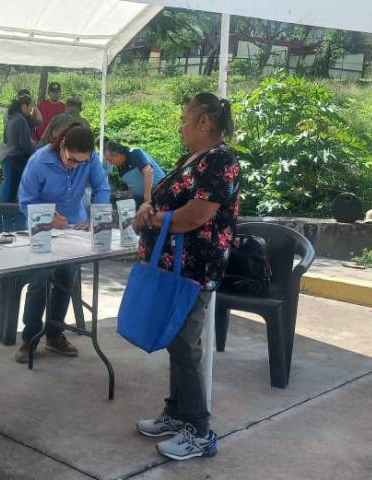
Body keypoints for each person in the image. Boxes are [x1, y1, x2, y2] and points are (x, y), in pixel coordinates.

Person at [133, 92, 240, 460]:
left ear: (204, 122)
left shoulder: (220, 161)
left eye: (184, 119)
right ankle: (177, 413)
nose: (180, 126)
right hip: (173, 267)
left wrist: (153, 219)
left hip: (194, 268)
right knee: (176, 341)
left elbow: (196, 215)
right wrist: (149, 206)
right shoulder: (191, 159)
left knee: (184, 344)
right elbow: (167, 199)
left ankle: (200, 430)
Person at [15, 124, 110, 362]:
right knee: (39, 282)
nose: (75, 166)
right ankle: (29, 338)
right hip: (42, 229)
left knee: (67, 280)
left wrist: (95, 217)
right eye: (71, 160)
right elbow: (26, 202)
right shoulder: (38, 162)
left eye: (81, 162)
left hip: (74, 227)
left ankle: (54, 335)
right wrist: (48, 217)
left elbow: (102, 187)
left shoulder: (90, 159)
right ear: (62, 145)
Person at [103, 140, 166, 205]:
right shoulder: (120, 169)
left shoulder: (134, 152)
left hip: (160, 191)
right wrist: (124, 193)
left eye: (110, 160)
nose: (110, 163)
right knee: (113, 200)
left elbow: (148, 170)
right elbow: (136, 190)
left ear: (117, 155)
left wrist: (147, 199)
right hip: (143, 198)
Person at [0, 93, 36, 203]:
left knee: (12, 187)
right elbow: (25, 144)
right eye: (30, 107)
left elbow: (5, 139)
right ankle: (11, 210)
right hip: (19, 158)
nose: (30, 111)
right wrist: (35, 154)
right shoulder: (20, 120)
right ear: (24, 106)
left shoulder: (11, 117)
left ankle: (7, 209)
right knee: (19, 189)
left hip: (11, 157)